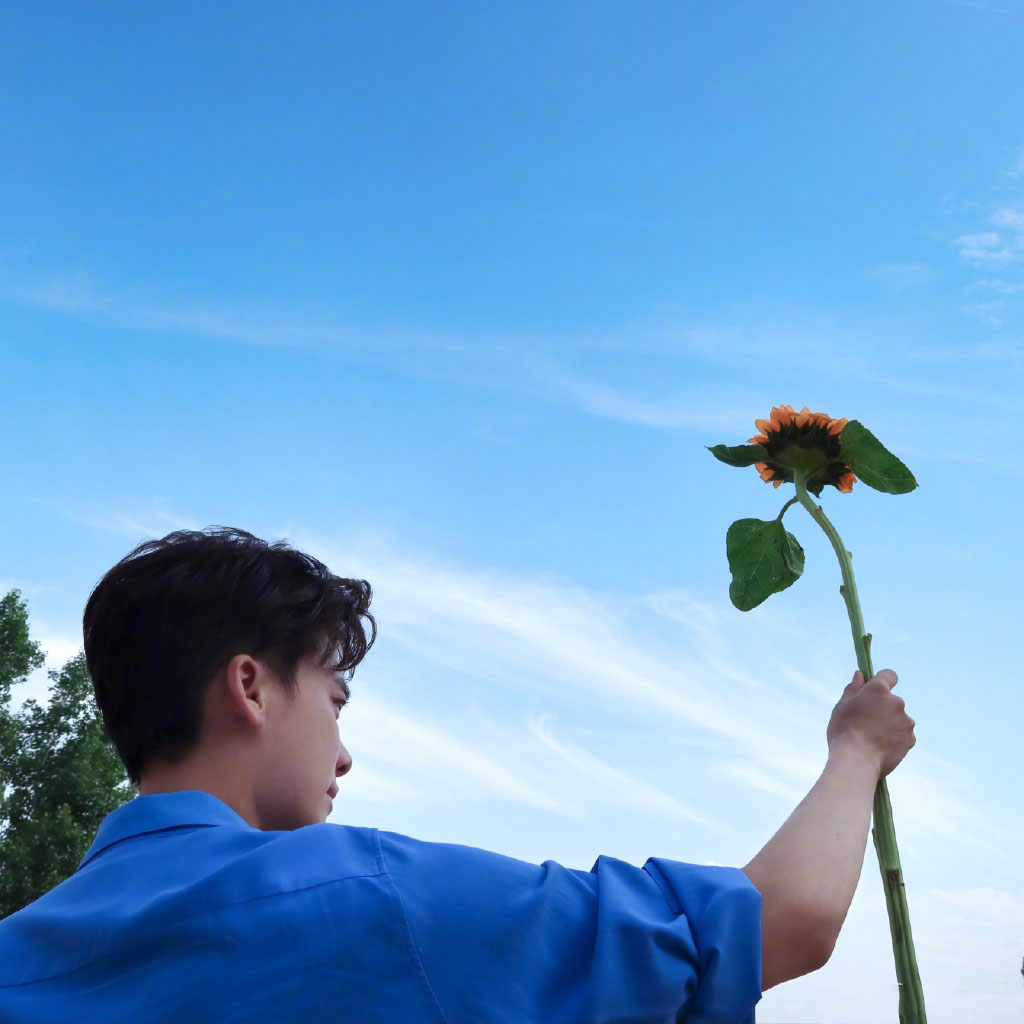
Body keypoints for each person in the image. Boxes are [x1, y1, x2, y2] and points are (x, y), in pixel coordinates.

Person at [0, 527, 915, 1024]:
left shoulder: (19, 959)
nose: (345, 753)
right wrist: (857, 751)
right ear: (250, 686)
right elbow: (777, 924)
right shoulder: (372, 902)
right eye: (336, 698)